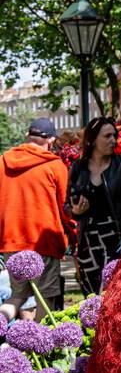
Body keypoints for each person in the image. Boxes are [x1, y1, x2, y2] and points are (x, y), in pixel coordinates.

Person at [0, 116, 72, 318]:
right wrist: (71, 235)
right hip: (44, 240)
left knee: (17, 296)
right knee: (45, 297)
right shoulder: (55, 166)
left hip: (11, 240)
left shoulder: (3, 162)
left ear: (27, 136)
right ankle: (41, 347)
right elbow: (65, 208)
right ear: (50, 140)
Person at [66, 116, 121, 294]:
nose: (113, 140)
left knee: (119, 291)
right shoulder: (78, 168)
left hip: (119, 237)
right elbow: (68, 205)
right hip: (90, 242)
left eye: (114, 135)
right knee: (93, 294)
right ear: (93, 140)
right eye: (107, 136)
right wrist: (76, 211)